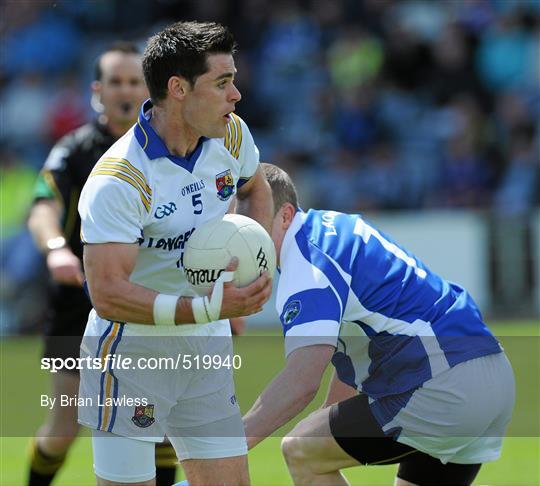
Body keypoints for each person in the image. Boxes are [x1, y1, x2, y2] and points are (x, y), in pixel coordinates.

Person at [77, 21, 273, 486]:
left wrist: (250, 260)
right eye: (222, 83)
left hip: (206, 346)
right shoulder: (119, 181)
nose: (236, 96)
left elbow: (256, 186)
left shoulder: (231, 135)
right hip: (132, 357)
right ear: (178, 88)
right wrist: (203, 306)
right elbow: (107, 295)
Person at [243, 163, 515, 486]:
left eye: (252, 223)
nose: (244, 236)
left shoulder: (305, 262)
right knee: (313, 444)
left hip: (444, 384)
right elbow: (358, 351)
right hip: (490, 377)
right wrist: (330, 421)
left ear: (285, 215)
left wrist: (230, 444)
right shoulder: (329, 229)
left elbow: (302, 380)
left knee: (302, 450)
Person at [26, 42, 181, 485]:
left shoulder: (170, 148)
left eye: (135, 81)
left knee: (159, 426)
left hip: (150, 301)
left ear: (149, 89)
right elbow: (42, 206)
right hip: (79, 304)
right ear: (98, 89)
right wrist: (56, 247)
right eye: (116, 81)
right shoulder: (75, 149)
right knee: (64, 429)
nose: (125, 90)